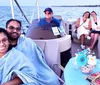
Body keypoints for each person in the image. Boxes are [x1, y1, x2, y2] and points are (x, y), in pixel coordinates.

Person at [5, 19, 60, 85]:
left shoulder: (27, 42)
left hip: (35, 71)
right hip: (14, 75)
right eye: (11, 28)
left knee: (52, 79)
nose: (15, 31)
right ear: (5, 29)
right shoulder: (2, 45)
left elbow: (37, 60)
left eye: (18, 29)